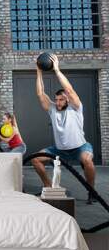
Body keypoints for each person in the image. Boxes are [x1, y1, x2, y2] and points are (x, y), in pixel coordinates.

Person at [32, 54, 96, 204]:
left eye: (61, 99)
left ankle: (92, 191)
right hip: (59, 150)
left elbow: (69, 89)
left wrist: (56, 70)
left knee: (87, 160)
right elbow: (40, 93)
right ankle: (49, 187)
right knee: (35, 159)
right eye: (57, 99)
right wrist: (39, 71)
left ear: (67, 99)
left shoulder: (75, 108)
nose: (58, 102)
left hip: (80, 147)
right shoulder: (52, 109)